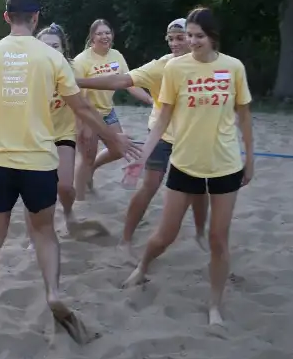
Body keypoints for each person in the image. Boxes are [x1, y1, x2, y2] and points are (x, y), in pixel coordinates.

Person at [0, 0, 141, 341]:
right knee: (44, 232)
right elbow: (82, 107)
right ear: (36, 18)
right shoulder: (53, 59)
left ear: (6, 17)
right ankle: (52, 292)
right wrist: (113, 138)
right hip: (39, 163)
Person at [123, 7, 254, 329]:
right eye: (189, 36)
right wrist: (144, 155)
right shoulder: (176, 69)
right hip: (185, 163)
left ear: (213, 37)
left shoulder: (233, 68)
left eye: (199, 36)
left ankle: (214, 305)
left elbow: (245, 116)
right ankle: (142, 265)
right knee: (164, 236)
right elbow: (164, 116)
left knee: (218, 240)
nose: (192, 41)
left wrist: (250, 158)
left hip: (225, 165)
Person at [76, 18, 208, 257]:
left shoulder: (210, 64)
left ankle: (200, 233)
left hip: (192, 138)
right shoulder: (162, 66)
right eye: (172, 39)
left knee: (199, 189)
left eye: (181, 37)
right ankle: (125, 239)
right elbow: (122, 80)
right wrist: (75, 82)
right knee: (149, 185)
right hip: (161, 134)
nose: (176, 43)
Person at [25, 22, 108, 242]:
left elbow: (83, 103)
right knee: (37, 192)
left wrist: (88, 127)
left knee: (64, 187)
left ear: (63, 49)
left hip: (63, 134)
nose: (51, 50)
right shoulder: (28, 69)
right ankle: (37, 237)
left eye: (56, 45)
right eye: (45, 46)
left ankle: (69, 213)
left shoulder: (73, 70)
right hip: (35, 137)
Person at [73, 19, 152, 202]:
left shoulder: (116, 55)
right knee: (86, 157)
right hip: (89, 115)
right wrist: (83, 124)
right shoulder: (81, 60)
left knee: (118, 149)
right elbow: (79, 99)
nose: (104, 36)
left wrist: (149, 99)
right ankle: (79, 201)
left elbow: (129, 83)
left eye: (107, 32)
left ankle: (93, 170)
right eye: (100, 33)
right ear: (92, 36)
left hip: (108, 112)